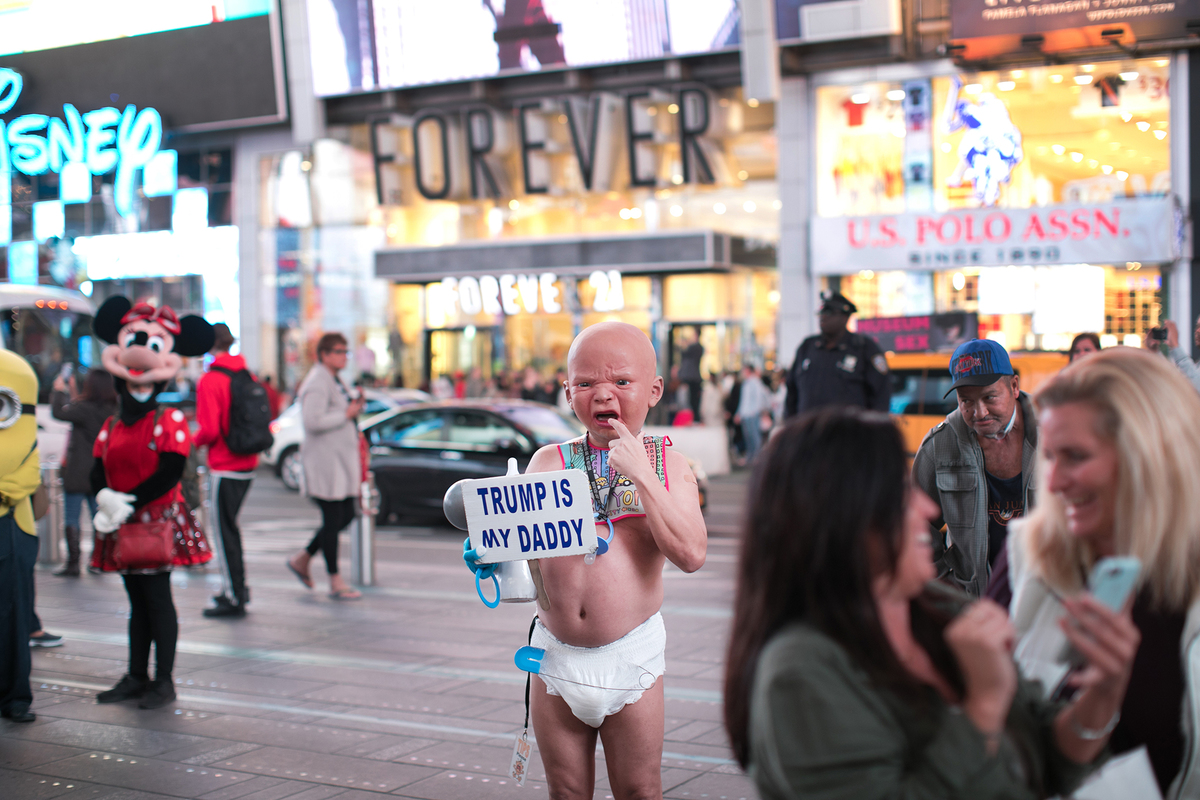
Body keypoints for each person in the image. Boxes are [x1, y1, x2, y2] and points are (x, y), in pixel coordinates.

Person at [723, 409, 1137, 798]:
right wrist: (984, 703)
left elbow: (1050, 758)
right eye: (900, 496)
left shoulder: (937, 607)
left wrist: (1103, 693)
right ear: (844, 521)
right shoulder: (800, 673)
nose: (926, 508)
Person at [466, 321, 706, 800]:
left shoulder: (670, 465)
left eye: (621, 381)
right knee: (567, 791)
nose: (603, 394)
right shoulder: (547, 462)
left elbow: (691, 554)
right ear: (567, 391)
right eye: (586, 383)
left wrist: (641, 475)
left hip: (631, 656)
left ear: (654, 390)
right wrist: (491, 553)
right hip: (555, 654)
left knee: (640, 790)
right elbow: (524, 556)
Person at [1007, 348, 1200, 794]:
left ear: (1150, 458)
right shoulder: (1030, 555)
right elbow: (1011, 751)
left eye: (1074, 456)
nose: (1052, 483)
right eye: (1050, 457)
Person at [88, 297, 215, 710]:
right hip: (122, 522)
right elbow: (96, 468)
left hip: (156, 522)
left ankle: (163, 680)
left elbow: (170, 470)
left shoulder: (169, 420)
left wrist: (128, 500)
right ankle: (136, 675)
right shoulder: (111, 424)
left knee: (157, 599)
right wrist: (106, 498)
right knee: (136, 600)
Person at [913, 339, 1037, 598]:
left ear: (1014, 386)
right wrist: (945, 586)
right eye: (966, 401)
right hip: (972, 601)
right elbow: (914, 525)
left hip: (1046, 601)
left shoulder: (1054, 433)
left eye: (989, 397)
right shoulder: (940, 445)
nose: (979, 413)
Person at [286, 333, 363, 600]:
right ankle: (334, 580)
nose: (344, 356)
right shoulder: (318, 381)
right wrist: (346, 414)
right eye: (339, 351)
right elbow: (312, 421)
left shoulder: (334, 379)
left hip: (338, 465)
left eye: (345, 351)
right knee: (333, 520)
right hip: (325, 465)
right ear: (325, 354)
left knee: (345, 515)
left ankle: (303, 558)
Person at [194, 324, 258, 618]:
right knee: (231, 528)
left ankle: (234, 595)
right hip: (248, 462)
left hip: (224, 464)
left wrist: (189, 442)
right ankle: (237, 588)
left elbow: (208, 429)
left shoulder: (211, 380)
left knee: (224, 532)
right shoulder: (244, 373)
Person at [0, 350, 43, 722]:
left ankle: (16, 695)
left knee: (14, 612)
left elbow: (30, 474)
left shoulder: (25, 436)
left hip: (14, 526)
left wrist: (4, 493)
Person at [50, 368, 118, 576]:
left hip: (78, 471)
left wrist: (58, 391)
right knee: (99, 517)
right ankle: (98, 561)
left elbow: (59, 412)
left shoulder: (83, 408)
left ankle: (73, 564)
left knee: (71, 517)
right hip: (101, 471)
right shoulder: (114, 409)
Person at [784, 291, 891, 418]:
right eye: (821, 313)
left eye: (830, 313)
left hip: (848, 433)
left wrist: (872, 431)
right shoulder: (807, 347)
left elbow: (881, 394)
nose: (823, 317)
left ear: (844, 317)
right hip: (809, 433)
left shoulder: (864, 348)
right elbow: (792, 391)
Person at [734, 364, 770, 464]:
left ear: (748, 370)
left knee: (754, 436)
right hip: (746, 414)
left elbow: (758, 398)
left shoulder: (755, 382)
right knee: (748, 437)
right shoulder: (746, 383)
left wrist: (755, 411)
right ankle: (750, 457)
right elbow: (744, 401)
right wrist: (739, 413)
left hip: (752, 414)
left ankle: (758, 457)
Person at [677, 327, 704, 423]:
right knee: (690, 398)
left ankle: (694, 418)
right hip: (693, 376)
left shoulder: (696, 347)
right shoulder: (698, 347)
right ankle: (692, 418)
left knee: (692, 399)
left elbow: (684, 353)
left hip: (693, 377)